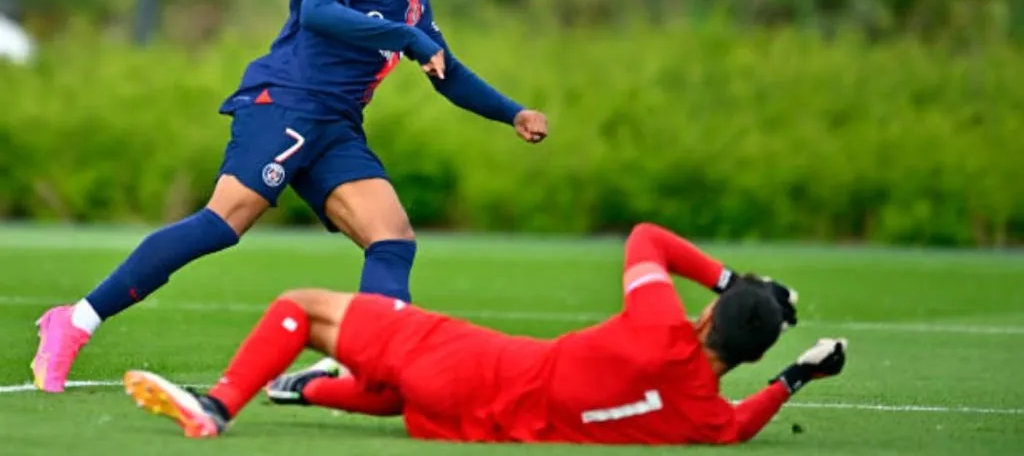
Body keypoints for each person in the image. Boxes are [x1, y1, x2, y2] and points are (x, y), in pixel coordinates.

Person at [31, 0, 548, 393]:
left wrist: (514, 112)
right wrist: (407, 38)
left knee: (392, 237)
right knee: (222, 223)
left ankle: (369, 360)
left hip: (336, 127)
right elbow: (319, 13)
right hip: (286, 103)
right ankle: (73, 322)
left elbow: (447, 72)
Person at [121, 223, 848, 444]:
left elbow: (647, 238)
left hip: (475, 362)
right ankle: (316, 388)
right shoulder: (704, 415)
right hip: (465, 422)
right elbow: (741, 425)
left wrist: (730, 279)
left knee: (299, 308)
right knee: (399, 390)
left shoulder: (665, 327)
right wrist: (796, 375)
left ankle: (215, 405)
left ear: (705, 316)